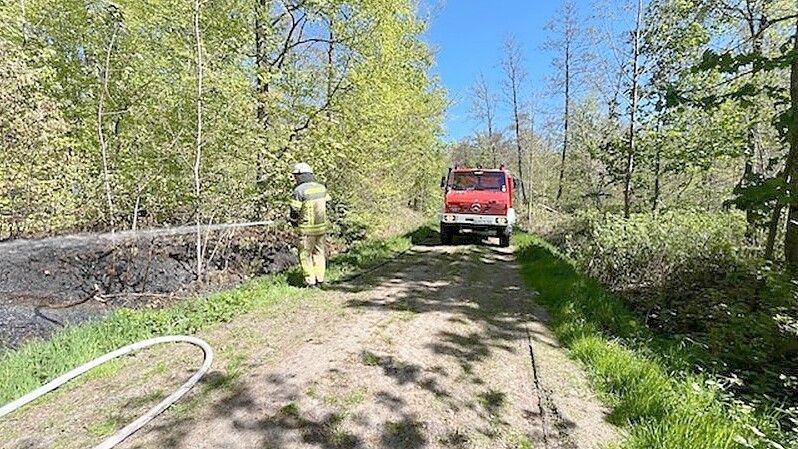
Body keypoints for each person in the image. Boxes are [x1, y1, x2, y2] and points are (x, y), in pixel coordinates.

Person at [289, 163, 331, 288]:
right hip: (321, 228)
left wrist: (293, 222)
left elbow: (294, 211)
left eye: (296, 176)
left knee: (305, 255)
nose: (295, 178)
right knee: (319, 253)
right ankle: (320, 279)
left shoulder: (299, 190)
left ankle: (310, 281)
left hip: (306, 230)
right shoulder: (321, 188)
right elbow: (326, 203)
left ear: (300, 175)